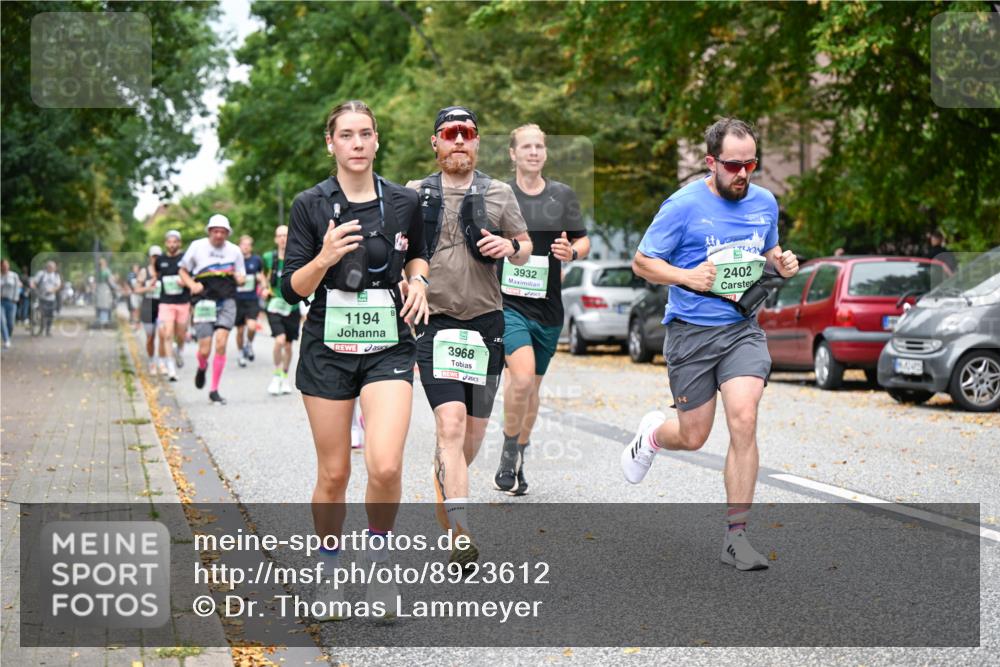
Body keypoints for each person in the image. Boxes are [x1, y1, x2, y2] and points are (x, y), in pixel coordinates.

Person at [623, 118, 799, 571]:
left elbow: (767, 254)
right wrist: (684, 276)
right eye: (733, 165)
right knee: (694, 434)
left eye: (750, 164)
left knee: (744, 417)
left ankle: (736, 537)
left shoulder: (764, 202)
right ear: (711, 162)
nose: (743, 174)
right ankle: (652, 437)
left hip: (741, 329)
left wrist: (781, 261)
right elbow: (642, 262)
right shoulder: (682, 206)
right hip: (691, 333)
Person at [281, 100, 430, 619]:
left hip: (388, 339)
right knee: (335, 473)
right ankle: (327, 570)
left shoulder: (405, 200)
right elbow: (293, 288)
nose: (358, 143)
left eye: (366, 133)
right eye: (347, 135)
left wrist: (420, 281)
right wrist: (323, 256)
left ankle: (380, 561)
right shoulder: (310, 204)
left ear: (377, 140)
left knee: (386, 464)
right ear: (332, 143)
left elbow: (418, 253)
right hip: (327, 343)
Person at [405, 105, 532, 566]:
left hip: (486, 325)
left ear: (477, 141)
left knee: (470, 439)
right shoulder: (413, 195)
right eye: (449, 133)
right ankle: (461, 532)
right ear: (435, 142)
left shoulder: (499, 193)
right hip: (435, 323)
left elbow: (524, 249)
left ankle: (447, 475)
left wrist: (511, 246)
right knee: (451, 425)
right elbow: (398, 253)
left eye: (467, 133)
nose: (459, 140)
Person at [493, 124, 590, 496]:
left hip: (548, 308)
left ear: (545, 154)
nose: (533, 152)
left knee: (531, 389)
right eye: (526, 147)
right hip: (508, 304)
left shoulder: (562, 196)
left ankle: (518, 452)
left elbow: (583, 239)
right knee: (521, 377)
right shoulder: (500, 195)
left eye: (539, 147)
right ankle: (506, 448)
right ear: (513, 154)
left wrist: (573, 253)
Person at [178, 214, 246, 404]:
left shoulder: (234, 251)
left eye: (222, 232)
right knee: (205, 349)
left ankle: (214, 390)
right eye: (215, 231)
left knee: (222, 343)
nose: (218, 235)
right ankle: (201, 367)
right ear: (209, 232)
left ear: (227, 233)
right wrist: (191, 284)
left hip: (227, 300)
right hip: (204, 301)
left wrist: (240, 278)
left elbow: (241, 274)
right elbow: (182, 270)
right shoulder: (197, 247)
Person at [262, 225, 301, 396]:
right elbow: (263, 275)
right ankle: (277, 374)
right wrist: (264, 287)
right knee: (279, 340)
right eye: (280, 235)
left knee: (288, 345)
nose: (283, 239)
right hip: (274, 305)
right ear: (275, 239)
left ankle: (285, 375)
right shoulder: (268, 257)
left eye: (286, 235)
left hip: (292, 306)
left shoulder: (298, 257)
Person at [155, 230, 191, 381]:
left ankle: (180, 350)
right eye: (169, 242)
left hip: (182, 301)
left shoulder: (185, 259)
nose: (172, 245)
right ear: (165, 243)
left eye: (175, 242)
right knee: (168, 333)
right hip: (166, 302)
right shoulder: (160, 260)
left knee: (180, 334)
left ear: (179, 243)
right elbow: (157, 275)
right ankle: (170, 367)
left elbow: (192, 275)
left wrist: (185, 282)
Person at [234, 235, 265, 367]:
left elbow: (261, 275)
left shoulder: (256, 260)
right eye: (243, 244)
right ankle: (241, 353)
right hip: (237, 300)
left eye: (248, 244)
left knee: (252, 326)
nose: (245, 247)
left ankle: (249, 344)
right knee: (240, 331)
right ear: (239, 246)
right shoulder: (234, 260)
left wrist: (263, 284)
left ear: (251, 247)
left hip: (252, 299)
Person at [136, 247, 162, 374]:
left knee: (164, 335)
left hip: (162, 305)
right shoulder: (144, 271)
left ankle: (163, 362)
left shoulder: (164, 271)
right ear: (150, 257)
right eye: (153, 256)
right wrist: (148, 288)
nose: (155, 258)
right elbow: (137, 289)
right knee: (150, 337)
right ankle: (152, 361)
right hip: (148, 305)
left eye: (158, 256)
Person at [31, 260, 62, 336]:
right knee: (42, 314)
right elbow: (34, 282)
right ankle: (41, 329)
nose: (52, 268)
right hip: (41, 298)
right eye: (50, 267)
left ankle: (48, 330)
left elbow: (58, 286)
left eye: (53, 267)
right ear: (47, 267)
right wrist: (35, 289)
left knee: (50, 315)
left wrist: (52, 290)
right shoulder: (41, 274)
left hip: (51, 298)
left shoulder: (56, 275)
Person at [1, 260, 23, 348]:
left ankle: (8, 337)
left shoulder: (13, 276)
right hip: (0, 301)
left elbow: (18, 287)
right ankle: (6, 340)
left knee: (11, 323)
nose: (5, 267)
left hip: (11, 301)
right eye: (3, 265)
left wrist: (16, 299)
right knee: (1, 320)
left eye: (7, 265)